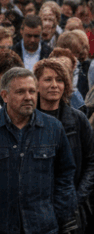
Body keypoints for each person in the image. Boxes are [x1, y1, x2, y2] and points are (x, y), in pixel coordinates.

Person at [0, 67, 78, 234]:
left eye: (32, 91)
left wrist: (55, 210)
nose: (28, 97)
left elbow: (65, 173)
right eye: (21, 92)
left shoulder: (53, 128)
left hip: (43, 225)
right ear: (5, 95)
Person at [33, 59, 94, 230]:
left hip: (72, 210)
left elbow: (91, 162)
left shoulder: (78, 120)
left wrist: (75, 196)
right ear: (36, 85)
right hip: (35, 210)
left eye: (59, 80)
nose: (54, 85)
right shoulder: (26, 119)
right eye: (48, 79)